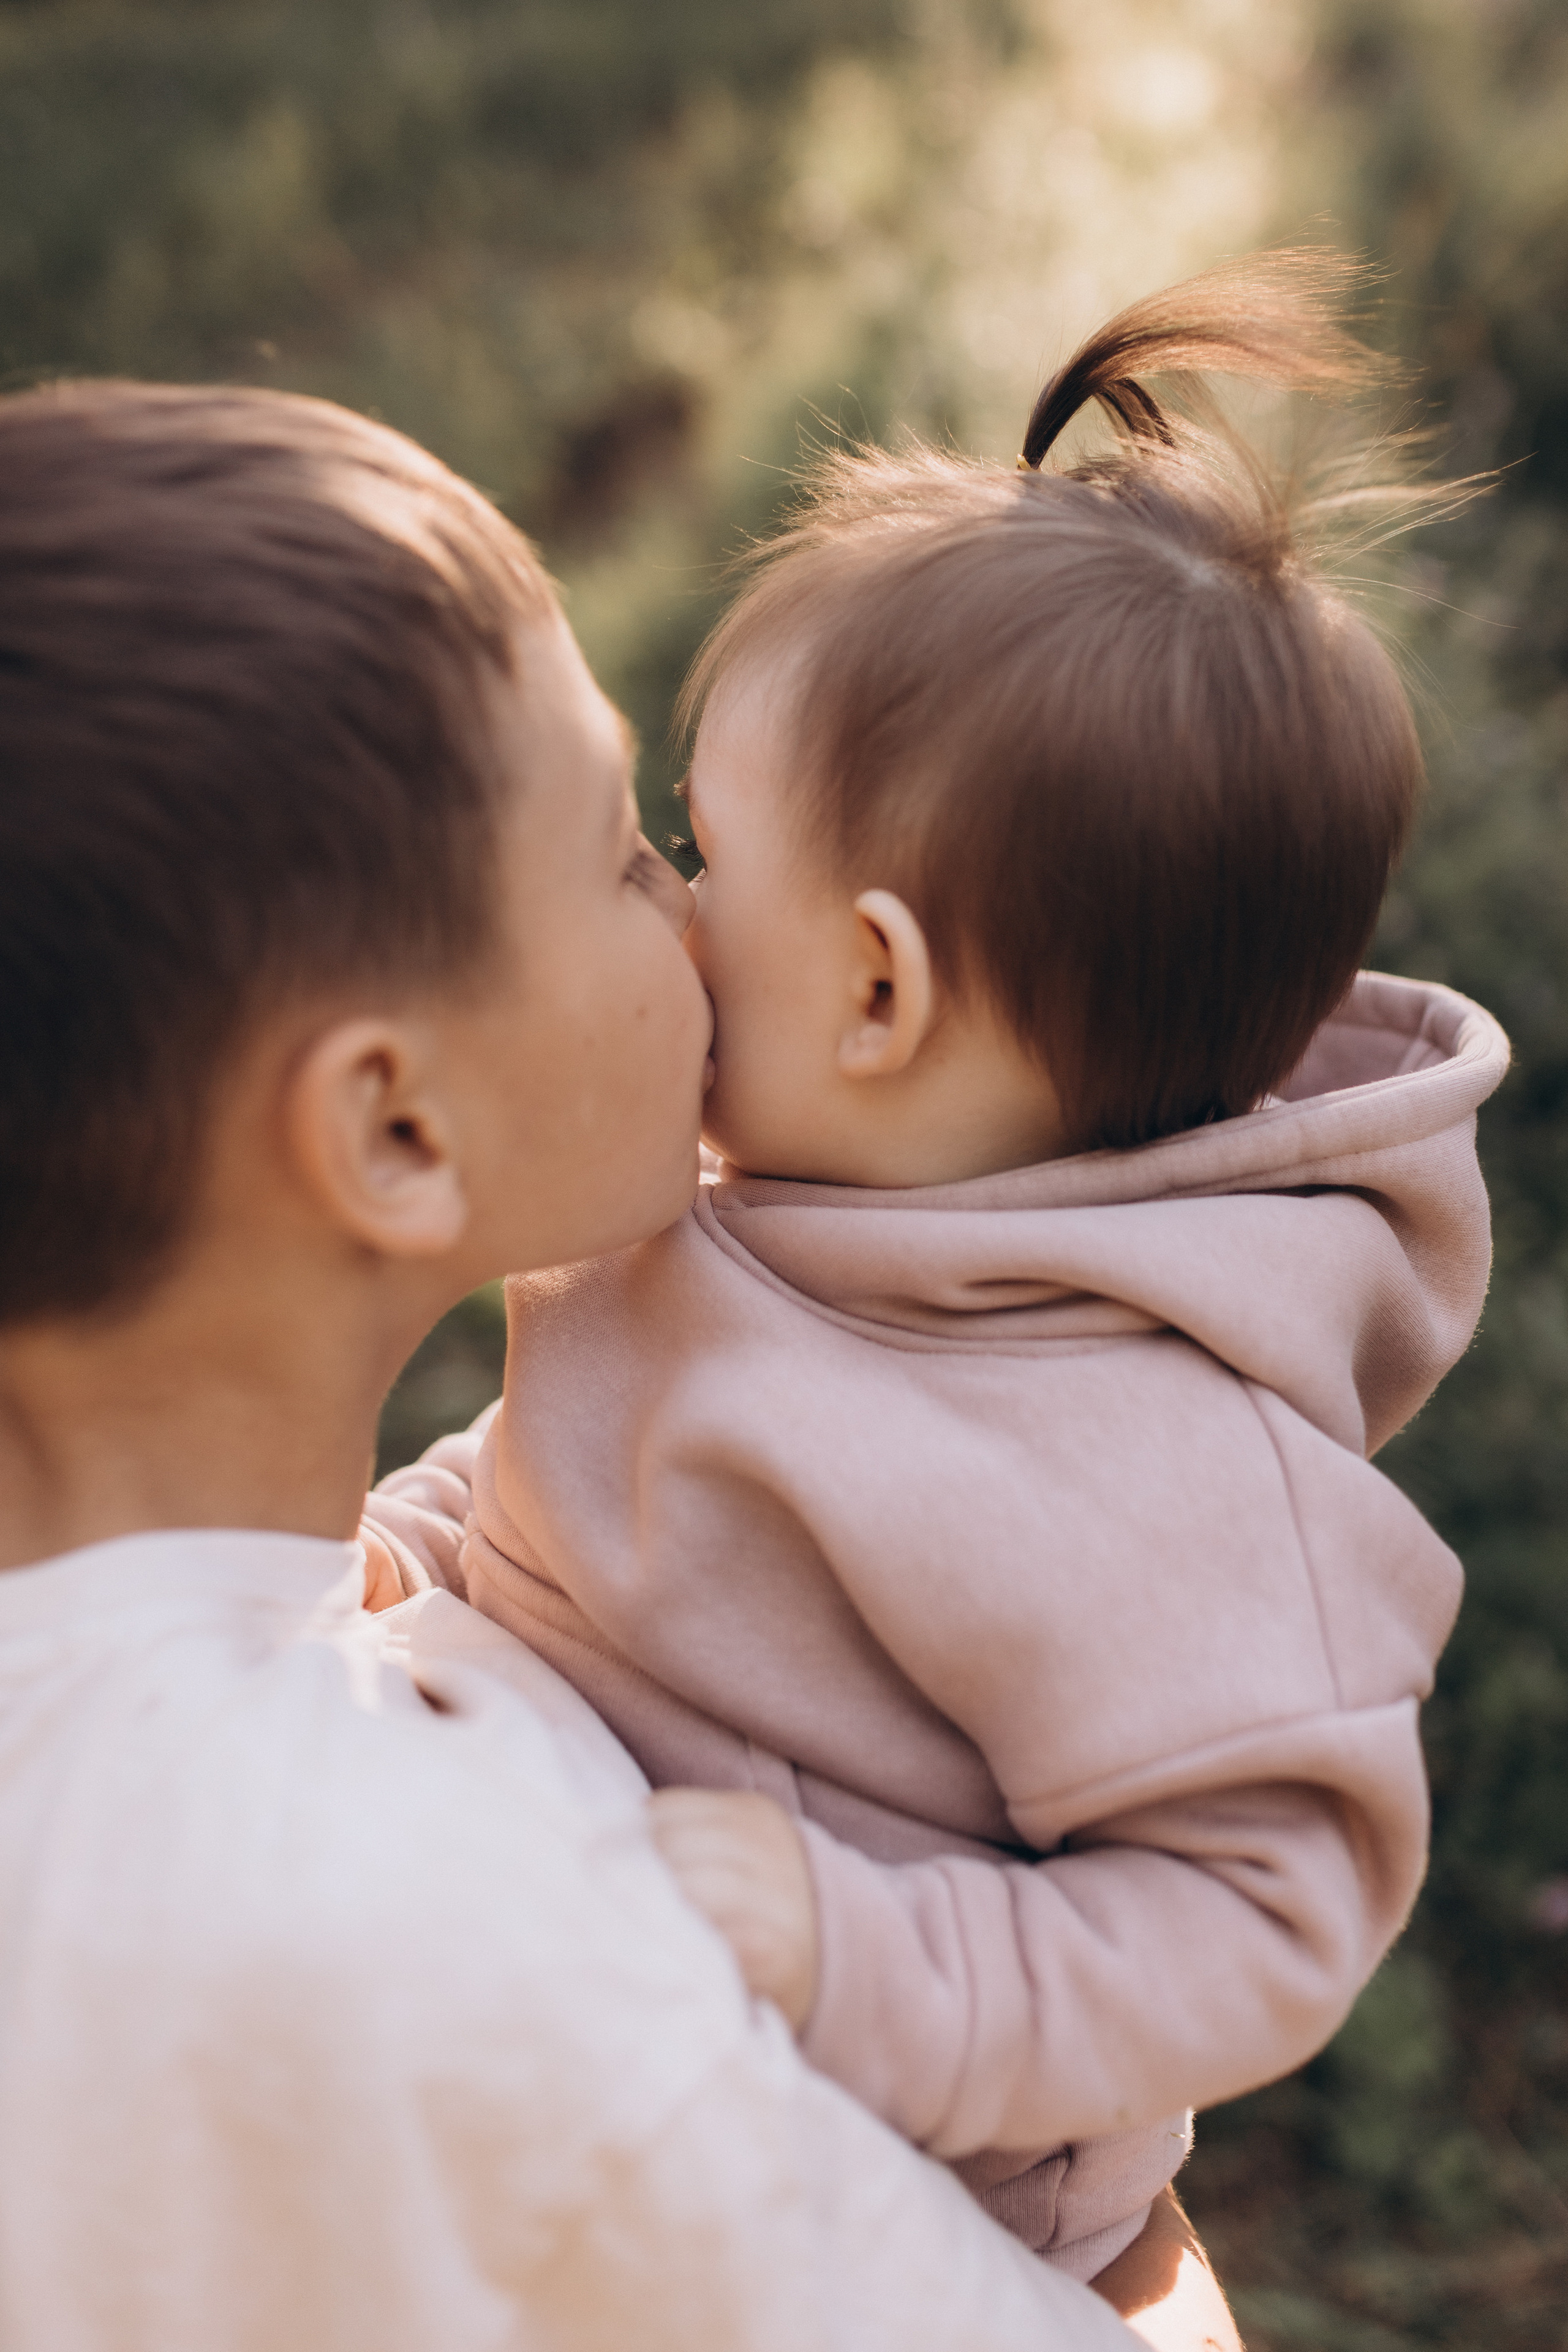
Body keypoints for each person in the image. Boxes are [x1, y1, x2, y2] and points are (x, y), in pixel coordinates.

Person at [0, 377, 1233, 2349]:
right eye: (616, 853)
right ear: (397, 1131)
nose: (687, 905)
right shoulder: (540, 1962)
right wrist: (1156, 2272)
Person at [366, 256, 1511, 2282]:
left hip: (888, 2195)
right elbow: (588, 1481)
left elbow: (1268, 1914)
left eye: (704, 857)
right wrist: (407, 1545)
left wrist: (868, 1958)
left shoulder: (1155, 1462)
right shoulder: (757, 1191)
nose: (673, 902)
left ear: (878, 987)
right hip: (574, 1968)